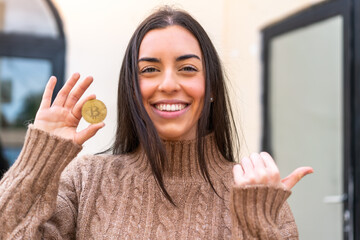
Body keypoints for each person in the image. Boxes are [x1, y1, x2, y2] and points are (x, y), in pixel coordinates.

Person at [0, 7, 313, 239]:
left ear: (213, 87)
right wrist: (38, 161)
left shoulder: (254, 192)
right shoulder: (84, 181)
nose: (168, 84)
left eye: (187, 68)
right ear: (132, 90)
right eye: (149, 70)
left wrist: (256, 221)